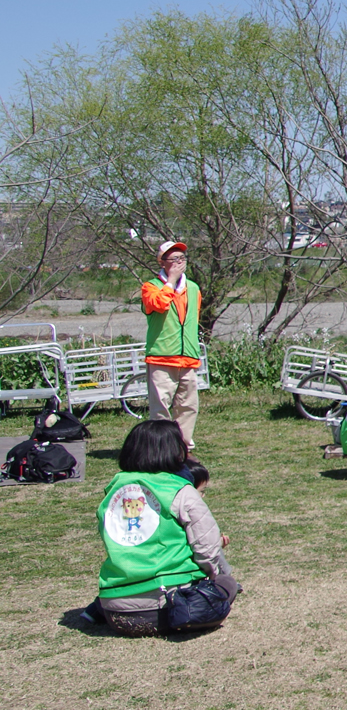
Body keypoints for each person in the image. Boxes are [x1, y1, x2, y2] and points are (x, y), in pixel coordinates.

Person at [85, 420, 239, 636]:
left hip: (115, 610)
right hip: (171, 606)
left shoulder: (113, 491)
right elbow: (207, 546)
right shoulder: (179, 489)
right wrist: (215, 577)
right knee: (227, 583)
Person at [141, 240, 203, 454]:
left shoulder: (193, 288)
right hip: (162, 357)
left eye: (182, 258)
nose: (179, 262)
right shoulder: (151, 286)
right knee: (160, 409)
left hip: (187, 358)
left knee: (188, 407)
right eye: (173, 259)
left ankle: (183, 449)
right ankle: (160, 450)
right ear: (162, 262)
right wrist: (171, 281)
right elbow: (157, 304)